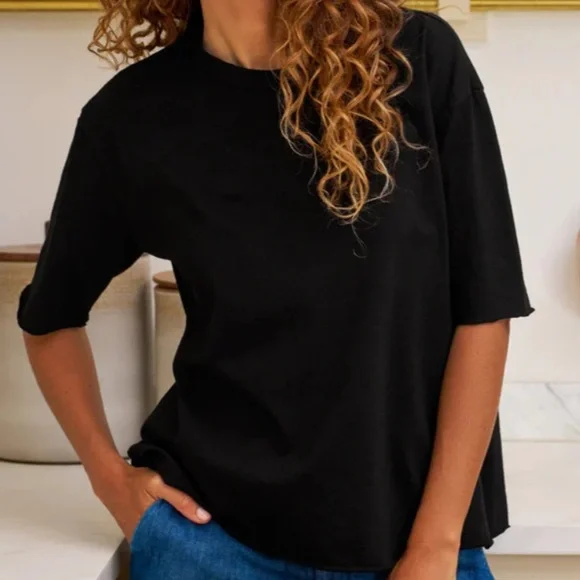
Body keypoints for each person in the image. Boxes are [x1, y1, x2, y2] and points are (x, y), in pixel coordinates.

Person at [17, 1, 533, 579]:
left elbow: (485, 307)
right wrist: (109, 479)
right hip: (208, 547)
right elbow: (49, 319)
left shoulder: (412, 59)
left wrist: (434, 546)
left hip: (419, 548)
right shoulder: (133, 116)